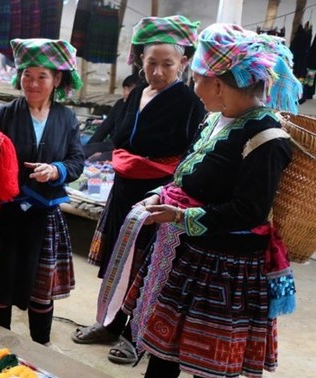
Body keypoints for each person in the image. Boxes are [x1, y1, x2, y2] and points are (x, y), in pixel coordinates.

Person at [131, 23, 299, 378]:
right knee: (163, 354)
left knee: (209, 367)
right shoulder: (214, 121)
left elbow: (248, 210)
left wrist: (181, 216)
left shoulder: (267, 138)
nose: (193, 87)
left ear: (218, 84)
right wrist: (161, 196)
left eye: (195, 79)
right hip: (191, 256)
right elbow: (189, 178)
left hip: (227, 271)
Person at [70, 15, 206, 364]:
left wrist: (165, 189)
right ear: (140, 62)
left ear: (184, 63)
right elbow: (121, 137)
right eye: (151, 63)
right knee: (118, 259)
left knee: (146, 266)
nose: (158, 72)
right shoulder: (135, 95)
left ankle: (136, 336)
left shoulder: (190, 103)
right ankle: (111, 324)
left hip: (157, 196)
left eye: (167, 64)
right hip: (124, 191)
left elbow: (190, 155)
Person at [0, 38, 84, 347]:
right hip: (5, 213)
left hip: (44, 215)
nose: (32, 83)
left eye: (42, 76)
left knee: (40, 286)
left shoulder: (67, 118)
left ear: (57, 79)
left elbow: (76, 161)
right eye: (27, 75)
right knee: (0, 282)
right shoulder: (4, 115)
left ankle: (40, 346)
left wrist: (56, 169)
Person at [83, 74, 139, 160]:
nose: (126, 93)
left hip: (127, 151)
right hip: (112, 145)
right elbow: (105, 127)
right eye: (125, 89)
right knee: (82, 151)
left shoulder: (140, 110)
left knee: (95, 159)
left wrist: (104, 155)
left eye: (130, 90)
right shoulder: (120, 104)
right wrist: (90, 146)